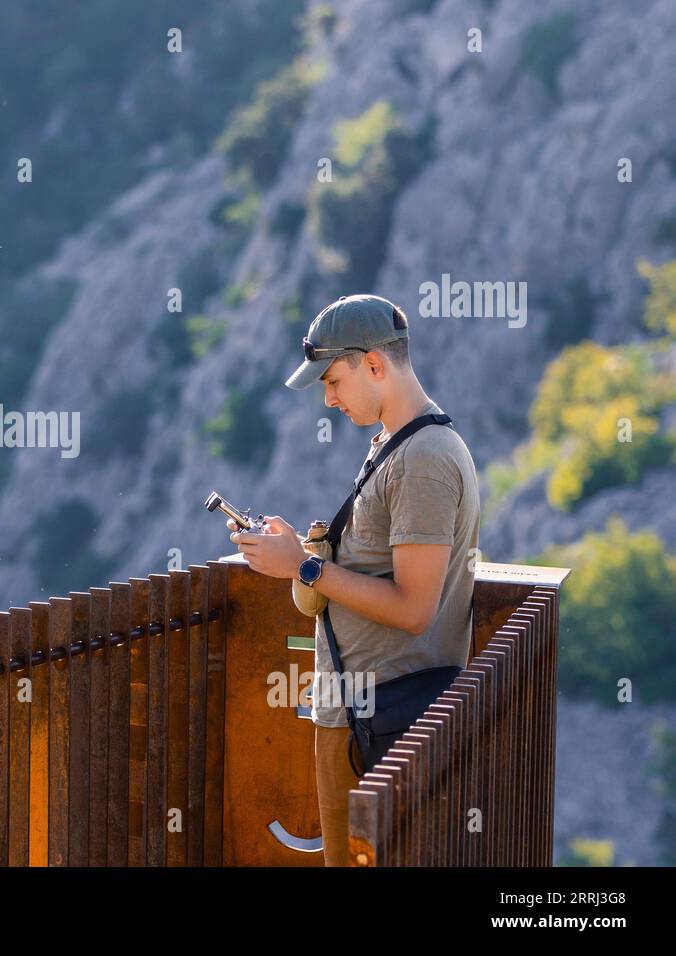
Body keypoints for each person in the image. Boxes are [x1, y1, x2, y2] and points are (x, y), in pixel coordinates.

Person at [228, 294, 479, 866]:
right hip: (366, 719)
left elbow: (416, 608)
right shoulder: (394, 448)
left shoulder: (424, 458)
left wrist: (304, 565)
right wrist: (302, 553)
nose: (328, 397)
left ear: (373, 364)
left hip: (385, 726)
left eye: (334, 379)